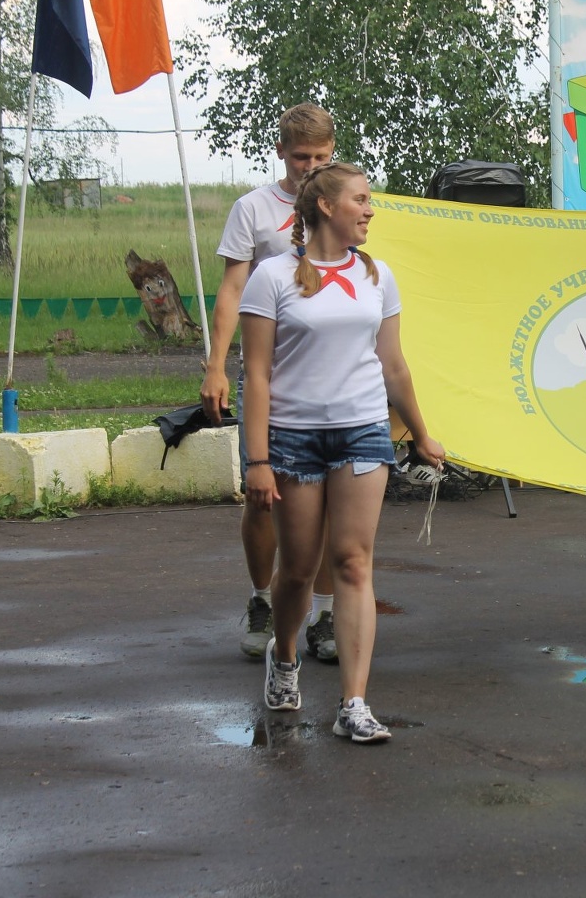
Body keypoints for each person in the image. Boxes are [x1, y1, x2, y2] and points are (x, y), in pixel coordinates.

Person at [239, 162, 444, 742]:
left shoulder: (379, 276)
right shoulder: (272, 277)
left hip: (362, 429)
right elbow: (256, 375)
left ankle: (353, 703)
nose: (370, 209)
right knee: (300, 569)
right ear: (326, 206)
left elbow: (393, 364)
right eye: (361, 199)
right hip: (294, 437)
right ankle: (284, 657)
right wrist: (257, 459)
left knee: (352, 563)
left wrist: (422, 433)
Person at [201, 103, 340, 662]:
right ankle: (263, 600)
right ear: (280, 151)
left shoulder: (346, 201)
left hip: (330, 373)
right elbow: (232, 291)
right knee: (264, 499)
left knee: (330, 502)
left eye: (321, 157)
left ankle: (325, 616)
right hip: (267, 373)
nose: (310, 167)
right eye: (301, 156)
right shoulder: (254, 209)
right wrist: (215, 365)